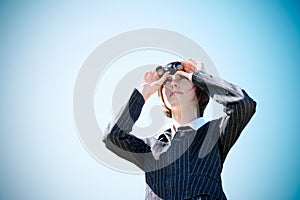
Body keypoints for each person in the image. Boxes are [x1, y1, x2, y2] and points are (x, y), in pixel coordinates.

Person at [103, 58, 256, 200]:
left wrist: (199, 76)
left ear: (199, 89)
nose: (173, 84)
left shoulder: (214, 133)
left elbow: (243, 104)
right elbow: (113, 136)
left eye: (182, 78)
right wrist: (145, 91)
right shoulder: (151, 147)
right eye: (167, 81)